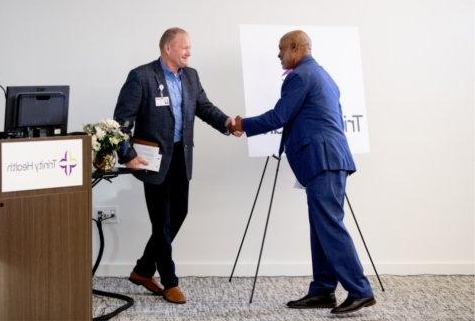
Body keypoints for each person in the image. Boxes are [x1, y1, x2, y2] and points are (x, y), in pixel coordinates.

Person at [229, 30, 375, 315]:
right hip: (326, 160)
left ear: (295, 48)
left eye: (281, 50)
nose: (279, 56)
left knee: (329, 225)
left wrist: (241, 124)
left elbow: (279, 116)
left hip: (323, 160)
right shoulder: (322, 75)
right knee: (322, 226)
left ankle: (360, 290)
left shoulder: (300, 76)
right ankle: (322, 290)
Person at [114, 27, 237, 304]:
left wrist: (227, 123)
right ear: (167, 48)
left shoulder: (190, 76)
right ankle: (170, 281)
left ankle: (144, 269)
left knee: (178, 213)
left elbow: (203, 106)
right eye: (184, 47)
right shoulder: (141, 76)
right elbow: (121, 121)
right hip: (152, 159)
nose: (189, 52)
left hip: (182, 155)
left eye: (189, 47)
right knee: (161, 220)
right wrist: (128, 154)